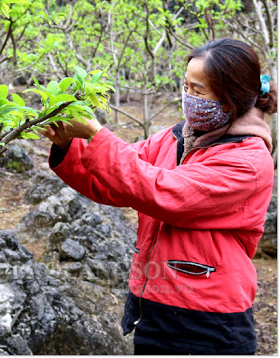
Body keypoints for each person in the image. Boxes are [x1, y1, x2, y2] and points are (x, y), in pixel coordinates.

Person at [40, 38, 277, 355]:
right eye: (185, 86)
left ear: (230, 99)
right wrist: (69, 144)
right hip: (153, 308)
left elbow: (164, 192)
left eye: (198, 90)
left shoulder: (247, 162)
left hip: (209, 323)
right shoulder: (178, 136)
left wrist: (97, 135)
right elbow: (115, 180)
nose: (188, 97)